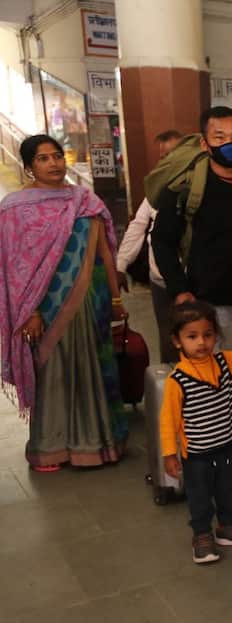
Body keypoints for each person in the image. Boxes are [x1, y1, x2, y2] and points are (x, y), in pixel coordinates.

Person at [1, 135, 128, 471]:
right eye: (43, 158)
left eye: (57, 156)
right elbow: (14, 267)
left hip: (89, 301)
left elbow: (103, 252)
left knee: (94, 369)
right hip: (45, 308)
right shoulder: (15, 209)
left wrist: (115, 298)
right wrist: (30, 312)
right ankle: (51, 447)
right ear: (28, 167)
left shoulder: (85, 200)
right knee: (54, 373)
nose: (54, 163)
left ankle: (98, 443)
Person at [159, 300, 232, 564]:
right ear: (177, 341)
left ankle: (228, 526)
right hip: (197, 455)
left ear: (216, 336)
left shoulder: (228, 362)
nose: (201, 343)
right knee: (200, 495)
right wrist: (169, 454)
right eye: (192, 336)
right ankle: (202, 534)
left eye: (208, 335)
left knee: (229, 488)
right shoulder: (178, 380)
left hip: (230, 445)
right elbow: (168, 420)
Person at [152, 107, 232, 348]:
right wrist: (179, 290)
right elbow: (162, 241)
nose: (229, 143)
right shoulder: (184, 190)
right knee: (226, 377)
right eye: (220, 137)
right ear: (205, 144)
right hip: (212, 303)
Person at [116, 129, 183, 363]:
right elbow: (138, 226)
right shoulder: (156, 191)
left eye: (174, 153)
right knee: (169, 339)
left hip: (196, 281)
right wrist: (121, 265)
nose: (168, 160)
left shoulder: (200, 186)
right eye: (163, 156)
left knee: (201, 340)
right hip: (161, 281)